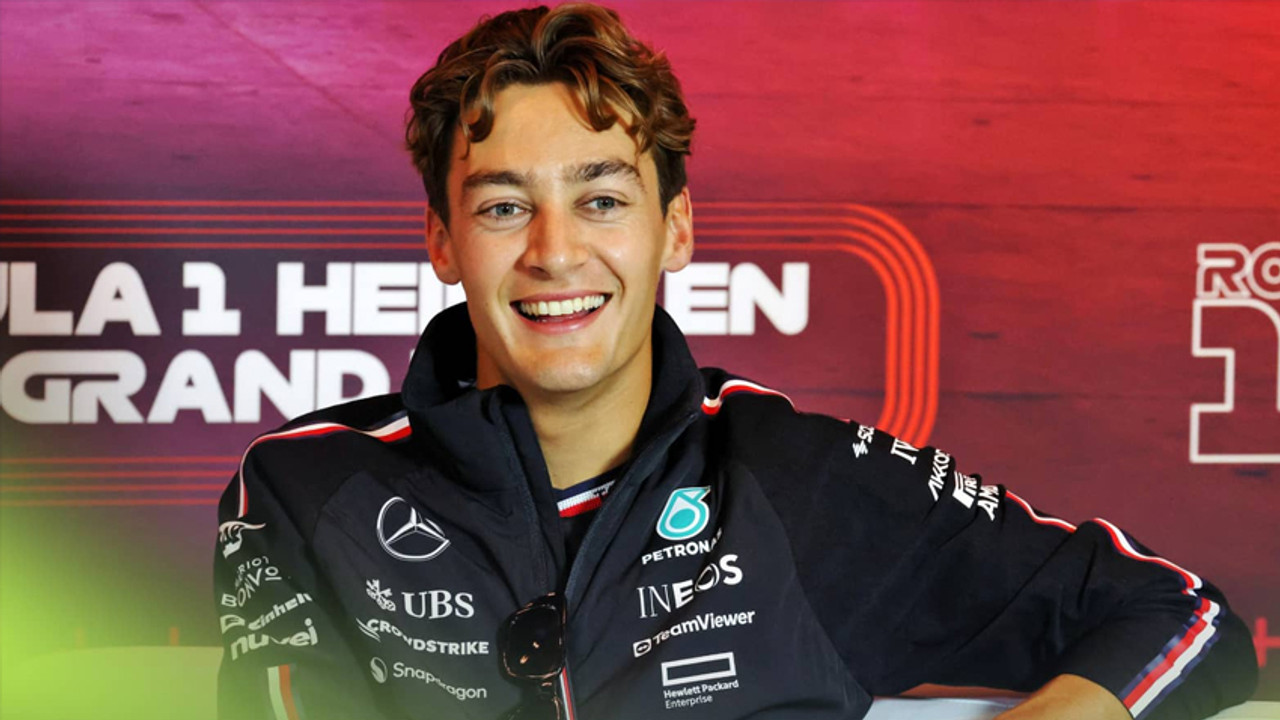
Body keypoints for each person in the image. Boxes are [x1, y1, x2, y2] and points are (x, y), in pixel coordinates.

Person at [212, 4, 1259, 719]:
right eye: (501, 207)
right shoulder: (307, 486)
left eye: (601, 199)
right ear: (442, 240)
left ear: (675, 230)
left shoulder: (792, 478)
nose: (555, 252)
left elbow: (1183, 615)